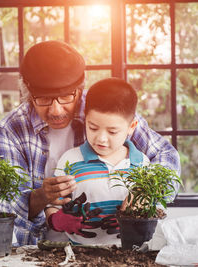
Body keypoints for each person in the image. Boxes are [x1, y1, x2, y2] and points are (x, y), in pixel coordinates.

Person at [0, 40, 181, 246]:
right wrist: (40, 197)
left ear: (80, 88)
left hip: (116, 247)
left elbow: (166, 156)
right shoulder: (12, 129)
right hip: (38, 247)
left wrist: (144, 194)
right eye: (43, 99)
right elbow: (5, 208)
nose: (56, 111)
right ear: (27, 93)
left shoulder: (106, 109)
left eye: (65, 96)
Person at [48, 78, 150, 245]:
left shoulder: (142, 164)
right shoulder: (70, 160)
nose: (101, 139)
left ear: (132, 126)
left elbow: (155, 211)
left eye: (112, 131)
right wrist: (57, 220)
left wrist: (136, 216)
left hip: (130, 254)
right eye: (93, 128)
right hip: (80, 254)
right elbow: (53, 206)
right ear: (85, 120)